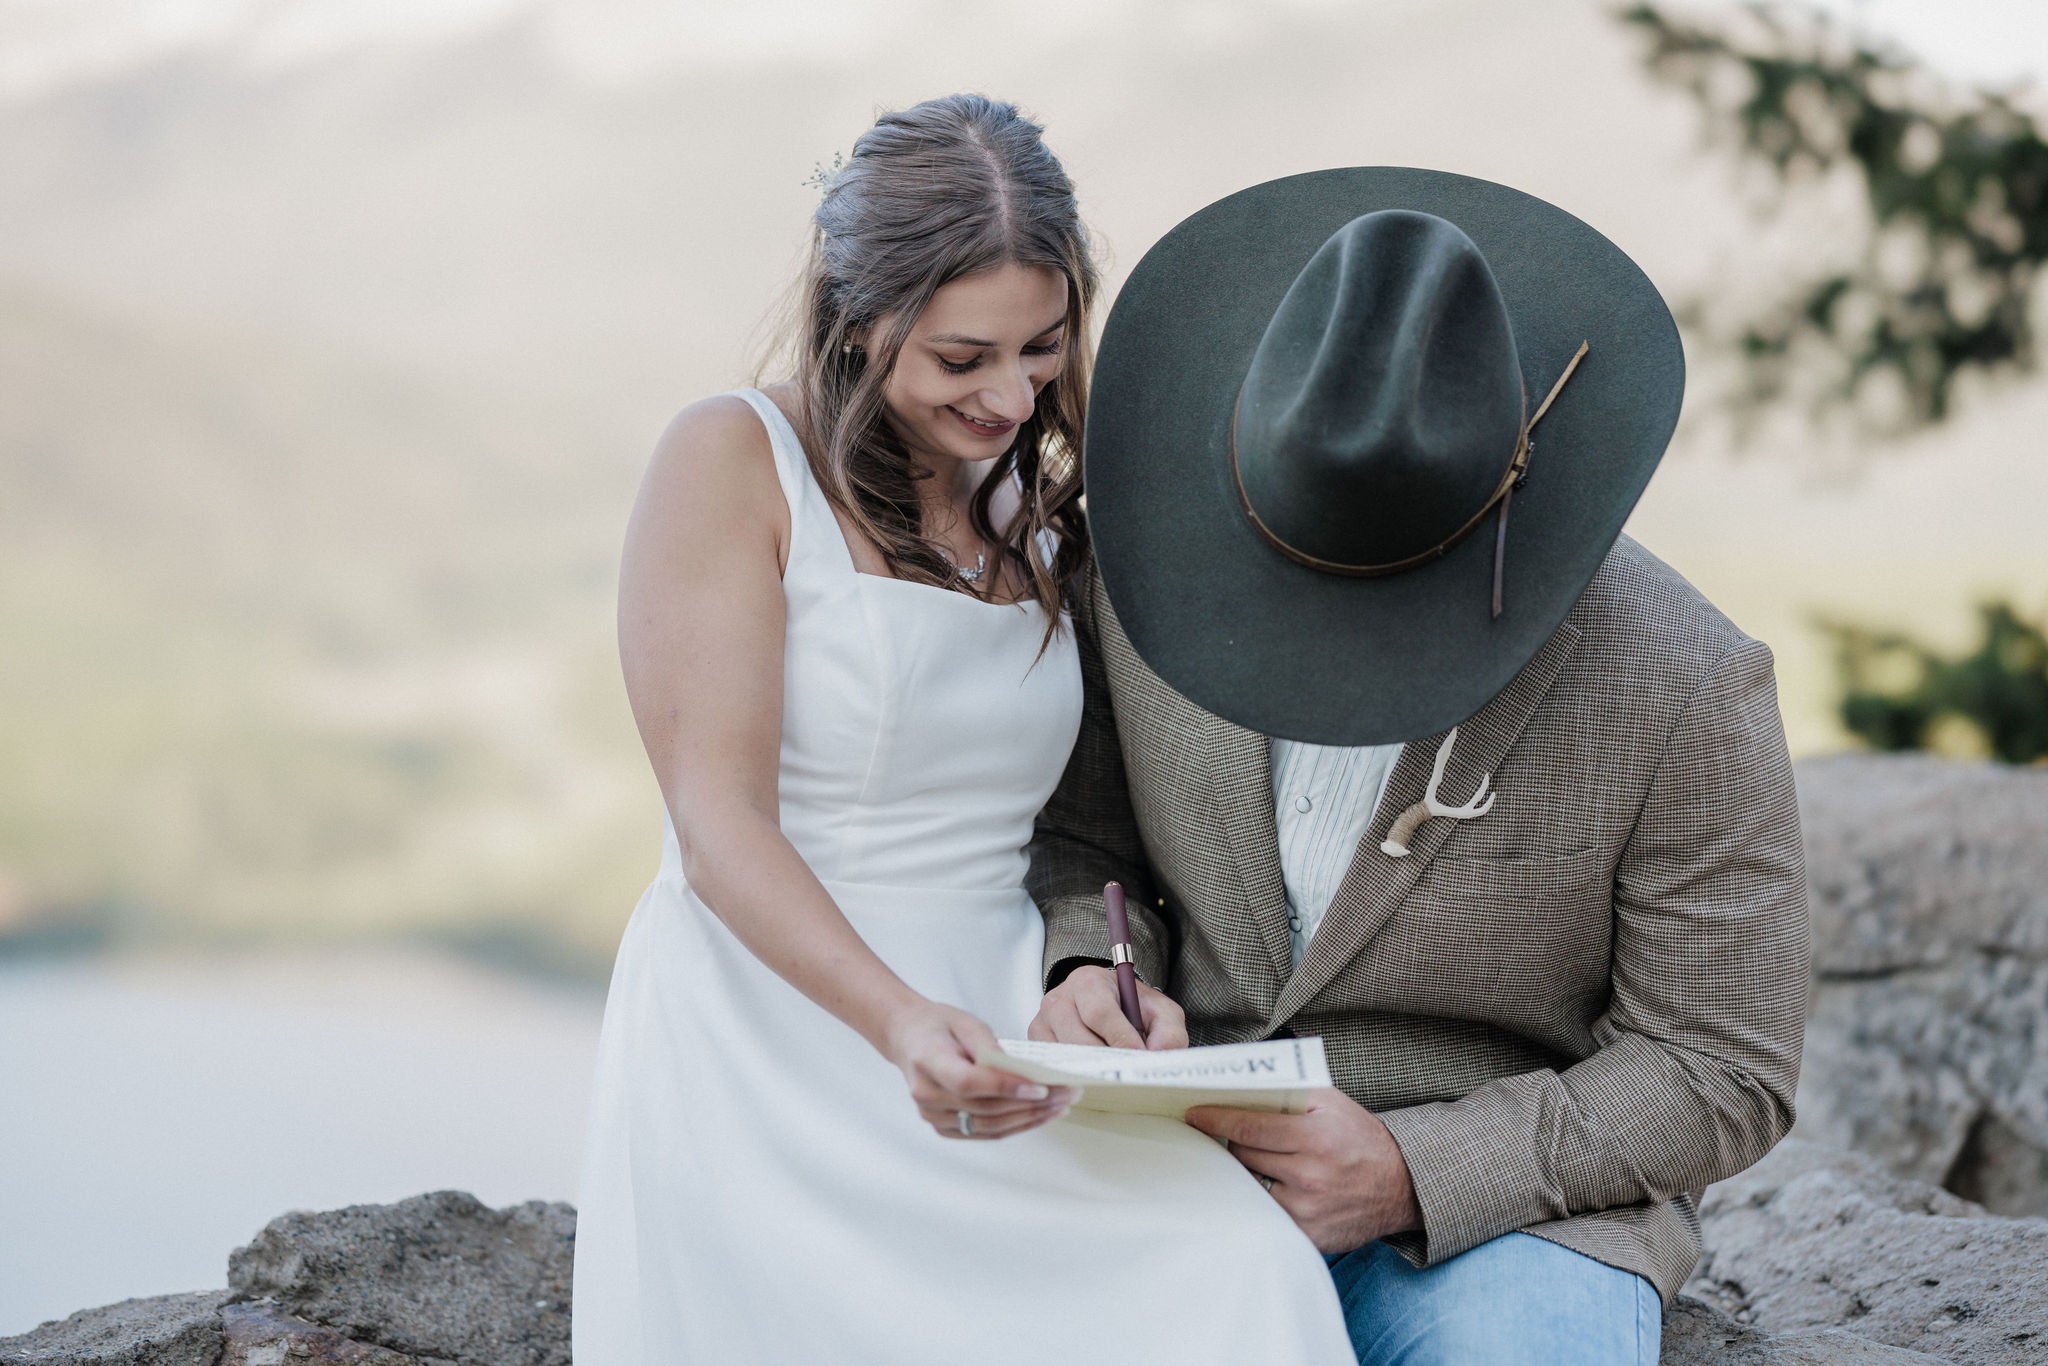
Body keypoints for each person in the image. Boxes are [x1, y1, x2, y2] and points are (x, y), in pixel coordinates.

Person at [571, 95, 1354, 1365]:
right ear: (857, 316)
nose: (1008, 394)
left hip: (1010, 1026)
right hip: (783, 1027)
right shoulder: (730, 459)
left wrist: (1100, 978)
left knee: (1241, 1279)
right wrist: (896, 1023)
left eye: (1041, 347)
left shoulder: (1041, 514)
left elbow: (1087, 824)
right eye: (960, 358)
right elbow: (715, 828)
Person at [1027, 172, 1811, 1366]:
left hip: (1513, 1227)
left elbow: (1722, 1064)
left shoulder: (1689, 683)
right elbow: (1084, 841)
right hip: (1169, 1172)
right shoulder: (1142, 559)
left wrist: (1410, 1171)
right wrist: (1091, 960)